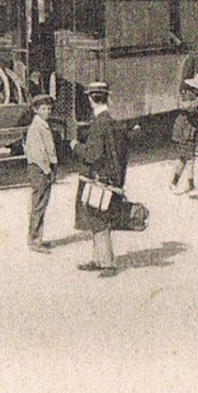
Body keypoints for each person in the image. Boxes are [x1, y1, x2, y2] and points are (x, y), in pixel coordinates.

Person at [72, 81, 127, 277]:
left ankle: (107, 264)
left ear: (90, 99)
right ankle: (97, 259)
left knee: (99, 219)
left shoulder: (98, 124)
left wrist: (76, 146)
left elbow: (93, 154)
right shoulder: (112, 122)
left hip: (98, 178)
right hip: (110, 178)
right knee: (97, 216)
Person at [23, 95, 58, 253]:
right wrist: (48, 170)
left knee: (41, 204)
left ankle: (38, 238)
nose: (47, 111)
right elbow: (38, 154)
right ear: (36, 110)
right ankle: (34, 240)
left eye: (49, 109)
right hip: (39, 170)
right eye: (43, 109)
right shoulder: (35, 127)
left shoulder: (42, 125)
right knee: (38, 205)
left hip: (43, 169)